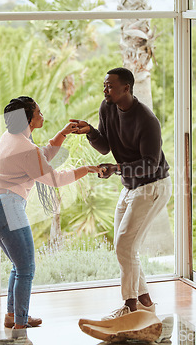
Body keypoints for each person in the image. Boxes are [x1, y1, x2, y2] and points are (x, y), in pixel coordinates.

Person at [0, 96, 103, 329]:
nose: (41, 114)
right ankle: (19, 327)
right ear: (28, 118)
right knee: (26, 268)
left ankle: (13, 316)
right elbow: (54, 179)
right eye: (38, 112)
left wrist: (63, 133)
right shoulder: (26, 148)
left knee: (19, 266)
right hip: (10, 209)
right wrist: (87, 169)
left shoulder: (10, 138)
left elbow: (42, 156)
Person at [71, 67, 172, 320]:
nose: (105, 90)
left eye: (110, 86)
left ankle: (130, 307)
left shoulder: (147, 120)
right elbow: (106, 146)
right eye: (104, 85)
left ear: (126, 88)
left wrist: (117, 168)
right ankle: (146, 304)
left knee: (124, 245)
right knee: (126, 248)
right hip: (130, 185)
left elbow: (150, 162)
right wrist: (91, 132)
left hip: (153, 186)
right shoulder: (107, 108)